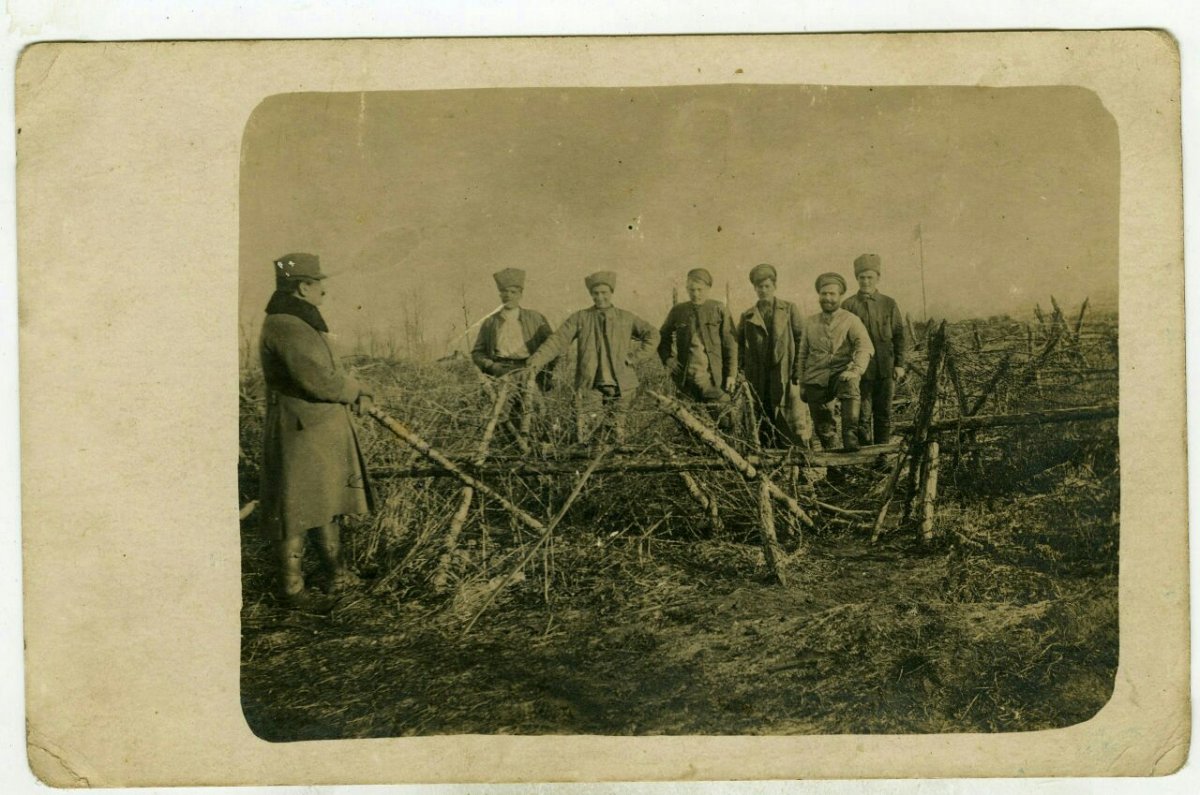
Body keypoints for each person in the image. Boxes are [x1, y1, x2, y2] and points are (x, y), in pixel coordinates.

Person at [258, 252, 374, 609]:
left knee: (325, 504)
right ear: (302, 287)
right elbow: (318, 379)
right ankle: (292, 590)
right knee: (294, 510)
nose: (323, 289)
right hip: (301, 431)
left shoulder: (299, 320)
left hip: (314, 430)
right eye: (317, 282)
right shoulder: (287, 324)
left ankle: (337, 575)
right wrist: (356, 390)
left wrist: (353, 390)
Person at [523, 271, 659, 444]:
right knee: (587, 433)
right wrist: (537, 360)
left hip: (623, 384)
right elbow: (557, 340)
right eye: (596, 293)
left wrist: (634, 357)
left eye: (604, 292)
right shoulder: (580, 317)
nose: (600, 297)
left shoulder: (626, 317)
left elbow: (653, 335)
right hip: (590, 384)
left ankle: (619, 457)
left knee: (618, 432)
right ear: (591, 294)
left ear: (611, 292)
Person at [796, 272, 874, 452]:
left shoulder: (850, 320)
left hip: (841, 374)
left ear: (840, 296)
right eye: (824, 294)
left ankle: (850, 438)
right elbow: (802, 355)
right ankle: (833, 460)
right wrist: (802, 382)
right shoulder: (810, 322)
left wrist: (856, 370)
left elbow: (865, 346)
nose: (827, 298)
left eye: (832, 294)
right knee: (823, 427)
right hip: (816, 376)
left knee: (850, 383)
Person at [841, 253, 908, 445]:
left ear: (878, 277)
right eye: (862, 277)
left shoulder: (889, 303)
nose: (866, 281)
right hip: (861, 372)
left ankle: (882, 456)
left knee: (883, 415)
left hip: (886, 369)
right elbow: (843, 340)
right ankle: (865, 457)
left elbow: (899, 336)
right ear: (857, 278)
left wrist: (899, 364)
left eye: (870, 277)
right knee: (861, 417)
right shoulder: (849, 305)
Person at [657, 267, 738, 424]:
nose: (695, 294)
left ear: (708, 288)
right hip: (686, 381)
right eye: (691, 290)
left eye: (700, 290)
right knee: (689, 425)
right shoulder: (678, 310)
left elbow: (731, 344)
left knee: (725, 422)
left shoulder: (718, 308)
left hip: (714, 380)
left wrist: (731, 374)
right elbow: (662, 337)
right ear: (687, 289)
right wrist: (668, 359)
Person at [737, 263, 805, 447]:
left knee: (788, 415)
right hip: (759, 375)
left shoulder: (789, 309)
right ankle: (767, 453)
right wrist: (741, 369)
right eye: (760, 287)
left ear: (775, 286)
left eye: (767, 286)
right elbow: (739, 345)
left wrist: (797, 368)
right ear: (754, 288)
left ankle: (794, 454)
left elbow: (801, 340)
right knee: (762, 413)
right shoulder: (748, 315)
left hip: (784, 371)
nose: (764, 290)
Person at [471, 267, 554, 384]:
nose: (508, 296)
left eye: (513, 292)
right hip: (499, 372)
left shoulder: (535, 318)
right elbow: (477, 352)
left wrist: (540, 370)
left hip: (528, 371)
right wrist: (491, 366)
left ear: (520, 294)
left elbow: (551, 346)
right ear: (500, 295)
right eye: (504, 292)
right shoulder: (490, 322)